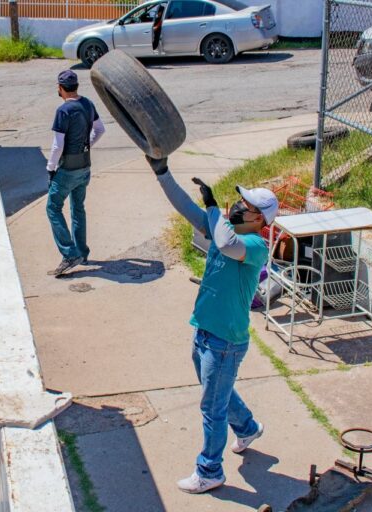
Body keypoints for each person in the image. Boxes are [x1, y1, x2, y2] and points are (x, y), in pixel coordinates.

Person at [146, 155, 279, 494]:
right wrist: (162, 171)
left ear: (258, 219)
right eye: (237, 201)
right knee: (217, 393)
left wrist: (215, 208)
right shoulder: (226, 227)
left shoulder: (254, 245)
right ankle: (247, 428)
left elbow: (225, 244)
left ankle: (210, 471)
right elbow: (186, 208)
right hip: (204, 329)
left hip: (225, 342)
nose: (236, 207)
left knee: (211, 407)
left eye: (244, 205)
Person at [45, 70, 105, 277]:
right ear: (77, 86)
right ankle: (82, 253)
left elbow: (57, 145)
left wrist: (50, 167)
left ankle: (70, 254)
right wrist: (87, 145)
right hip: (85, 166)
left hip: (67, 169)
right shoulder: (88, 104)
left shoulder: (63, 111)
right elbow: (100, 129)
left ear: (60, 88)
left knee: (53, 207)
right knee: (78, 208)